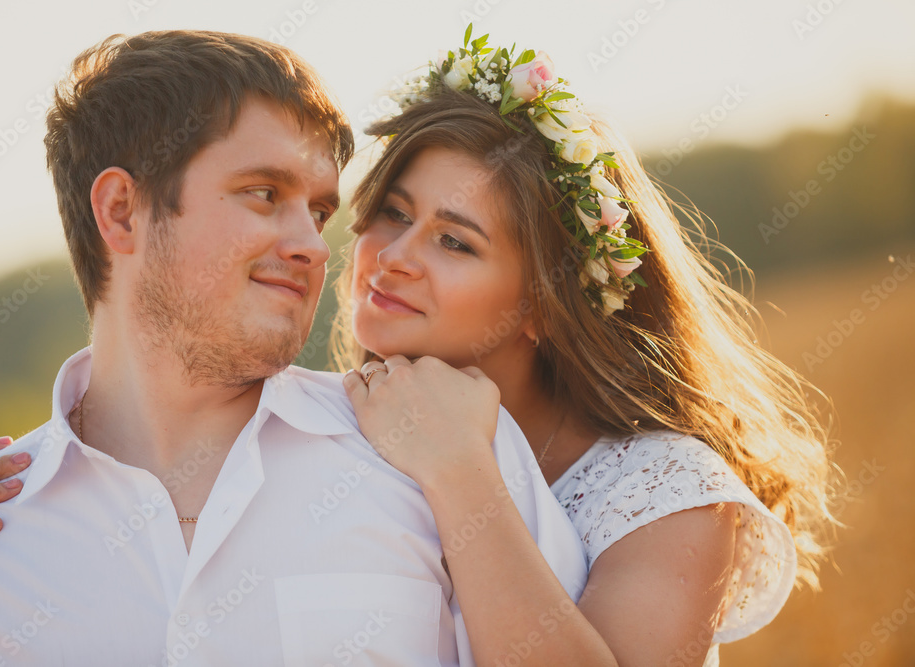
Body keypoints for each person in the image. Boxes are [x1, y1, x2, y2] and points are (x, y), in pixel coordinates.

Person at [0, 29, 836, 667]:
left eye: (319, 209)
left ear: (544, 305)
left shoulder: (478, 475)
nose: (351, 253)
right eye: (264, 193)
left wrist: (460, 474)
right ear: (120, 210)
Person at [325, 33, 834, 665]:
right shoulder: (321, 429)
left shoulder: (665, 491)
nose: (393, 258)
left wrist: (459, 469)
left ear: (543, 302)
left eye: (454, 242)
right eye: (396, 215)